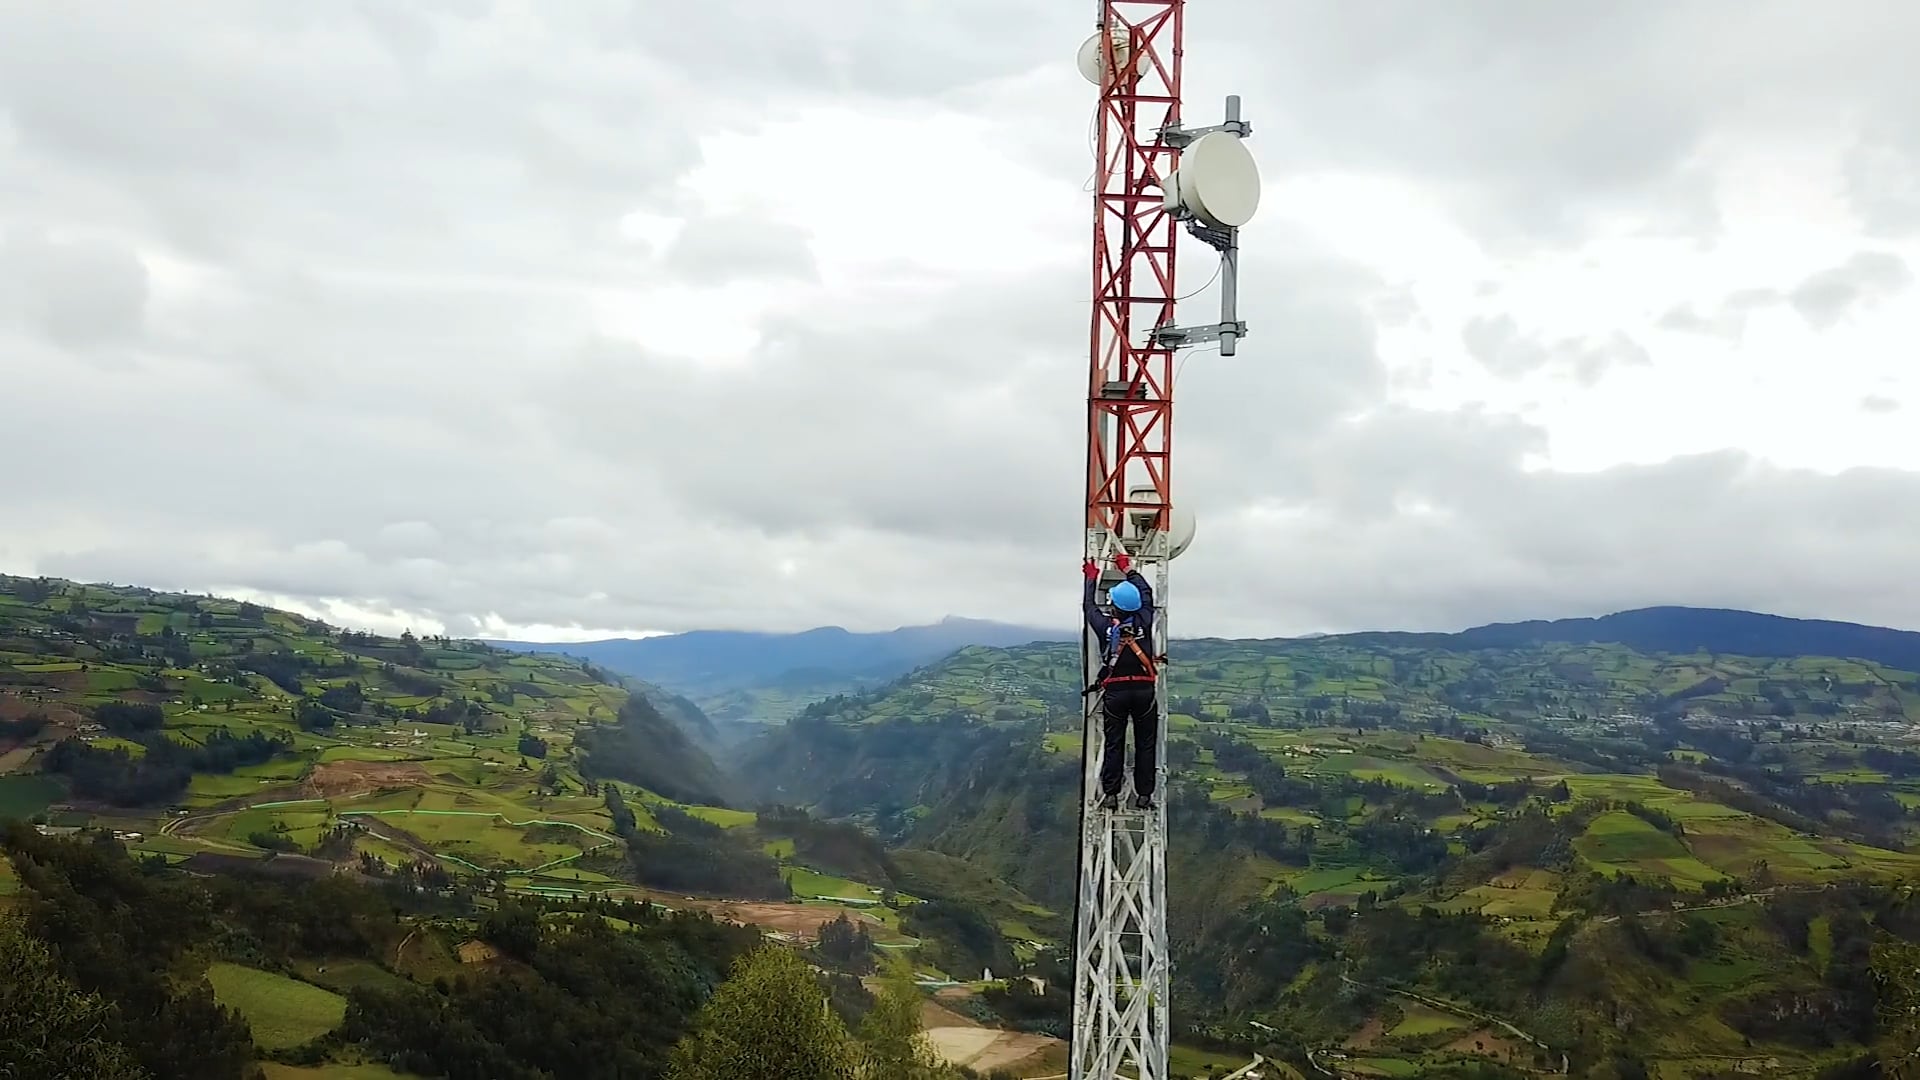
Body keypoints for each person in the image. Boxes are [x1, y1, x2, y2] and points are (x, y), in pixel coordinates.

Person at [1082, 552, 1161, 812]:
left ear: (1114, 606)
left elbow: (1089, 608)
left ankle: (1112, 794)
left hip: (1116, 692)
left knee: (1114, 743)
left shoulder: (1106, 628)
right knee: (1145, 744)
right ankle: (1144, 795)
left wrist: (1091, 580)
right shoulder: (1144, 619)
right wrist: (1128, 569)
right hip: (1143, 691)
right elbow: (1146, 591)